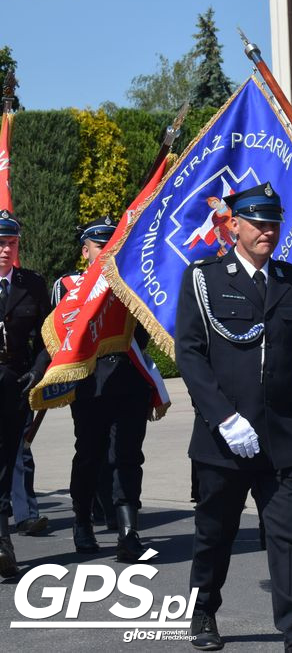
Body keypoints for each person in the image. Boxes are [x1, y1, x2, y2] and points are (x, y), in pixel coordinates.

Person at [175, 183, 292, 653]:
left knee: (288, 533)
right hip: (223, 439)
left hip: (284, 436)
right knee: (215, 532)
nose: (267, 231)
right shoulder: (205, 278)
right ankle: (203, 609)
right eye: (257, 222)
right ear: (234, 226)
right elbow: (189, 355)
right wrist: (223, 417)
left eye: (274, 222)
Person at [52, 216, 152, 560]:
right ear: (85, 251)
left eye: (114, 246)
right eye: (100, 247)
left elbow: (145, 333)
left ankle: (128, 530)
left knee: (128, 455)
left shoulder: (133, 282)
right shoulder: (68, 286)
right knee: (91, 454)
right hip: (90, 384)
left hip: (129, 380)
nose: (108, 252)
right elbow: (60, 335)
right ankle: (82, 519)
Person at [0, 210, 49, 577]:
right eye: (0, 243)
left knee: (6, 460)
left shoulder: (32, 284)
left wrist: (37, 371)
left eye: (11, 243)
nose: (5, 250)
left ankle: (3, 540)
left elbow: (50, 337)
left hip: (14, 382)